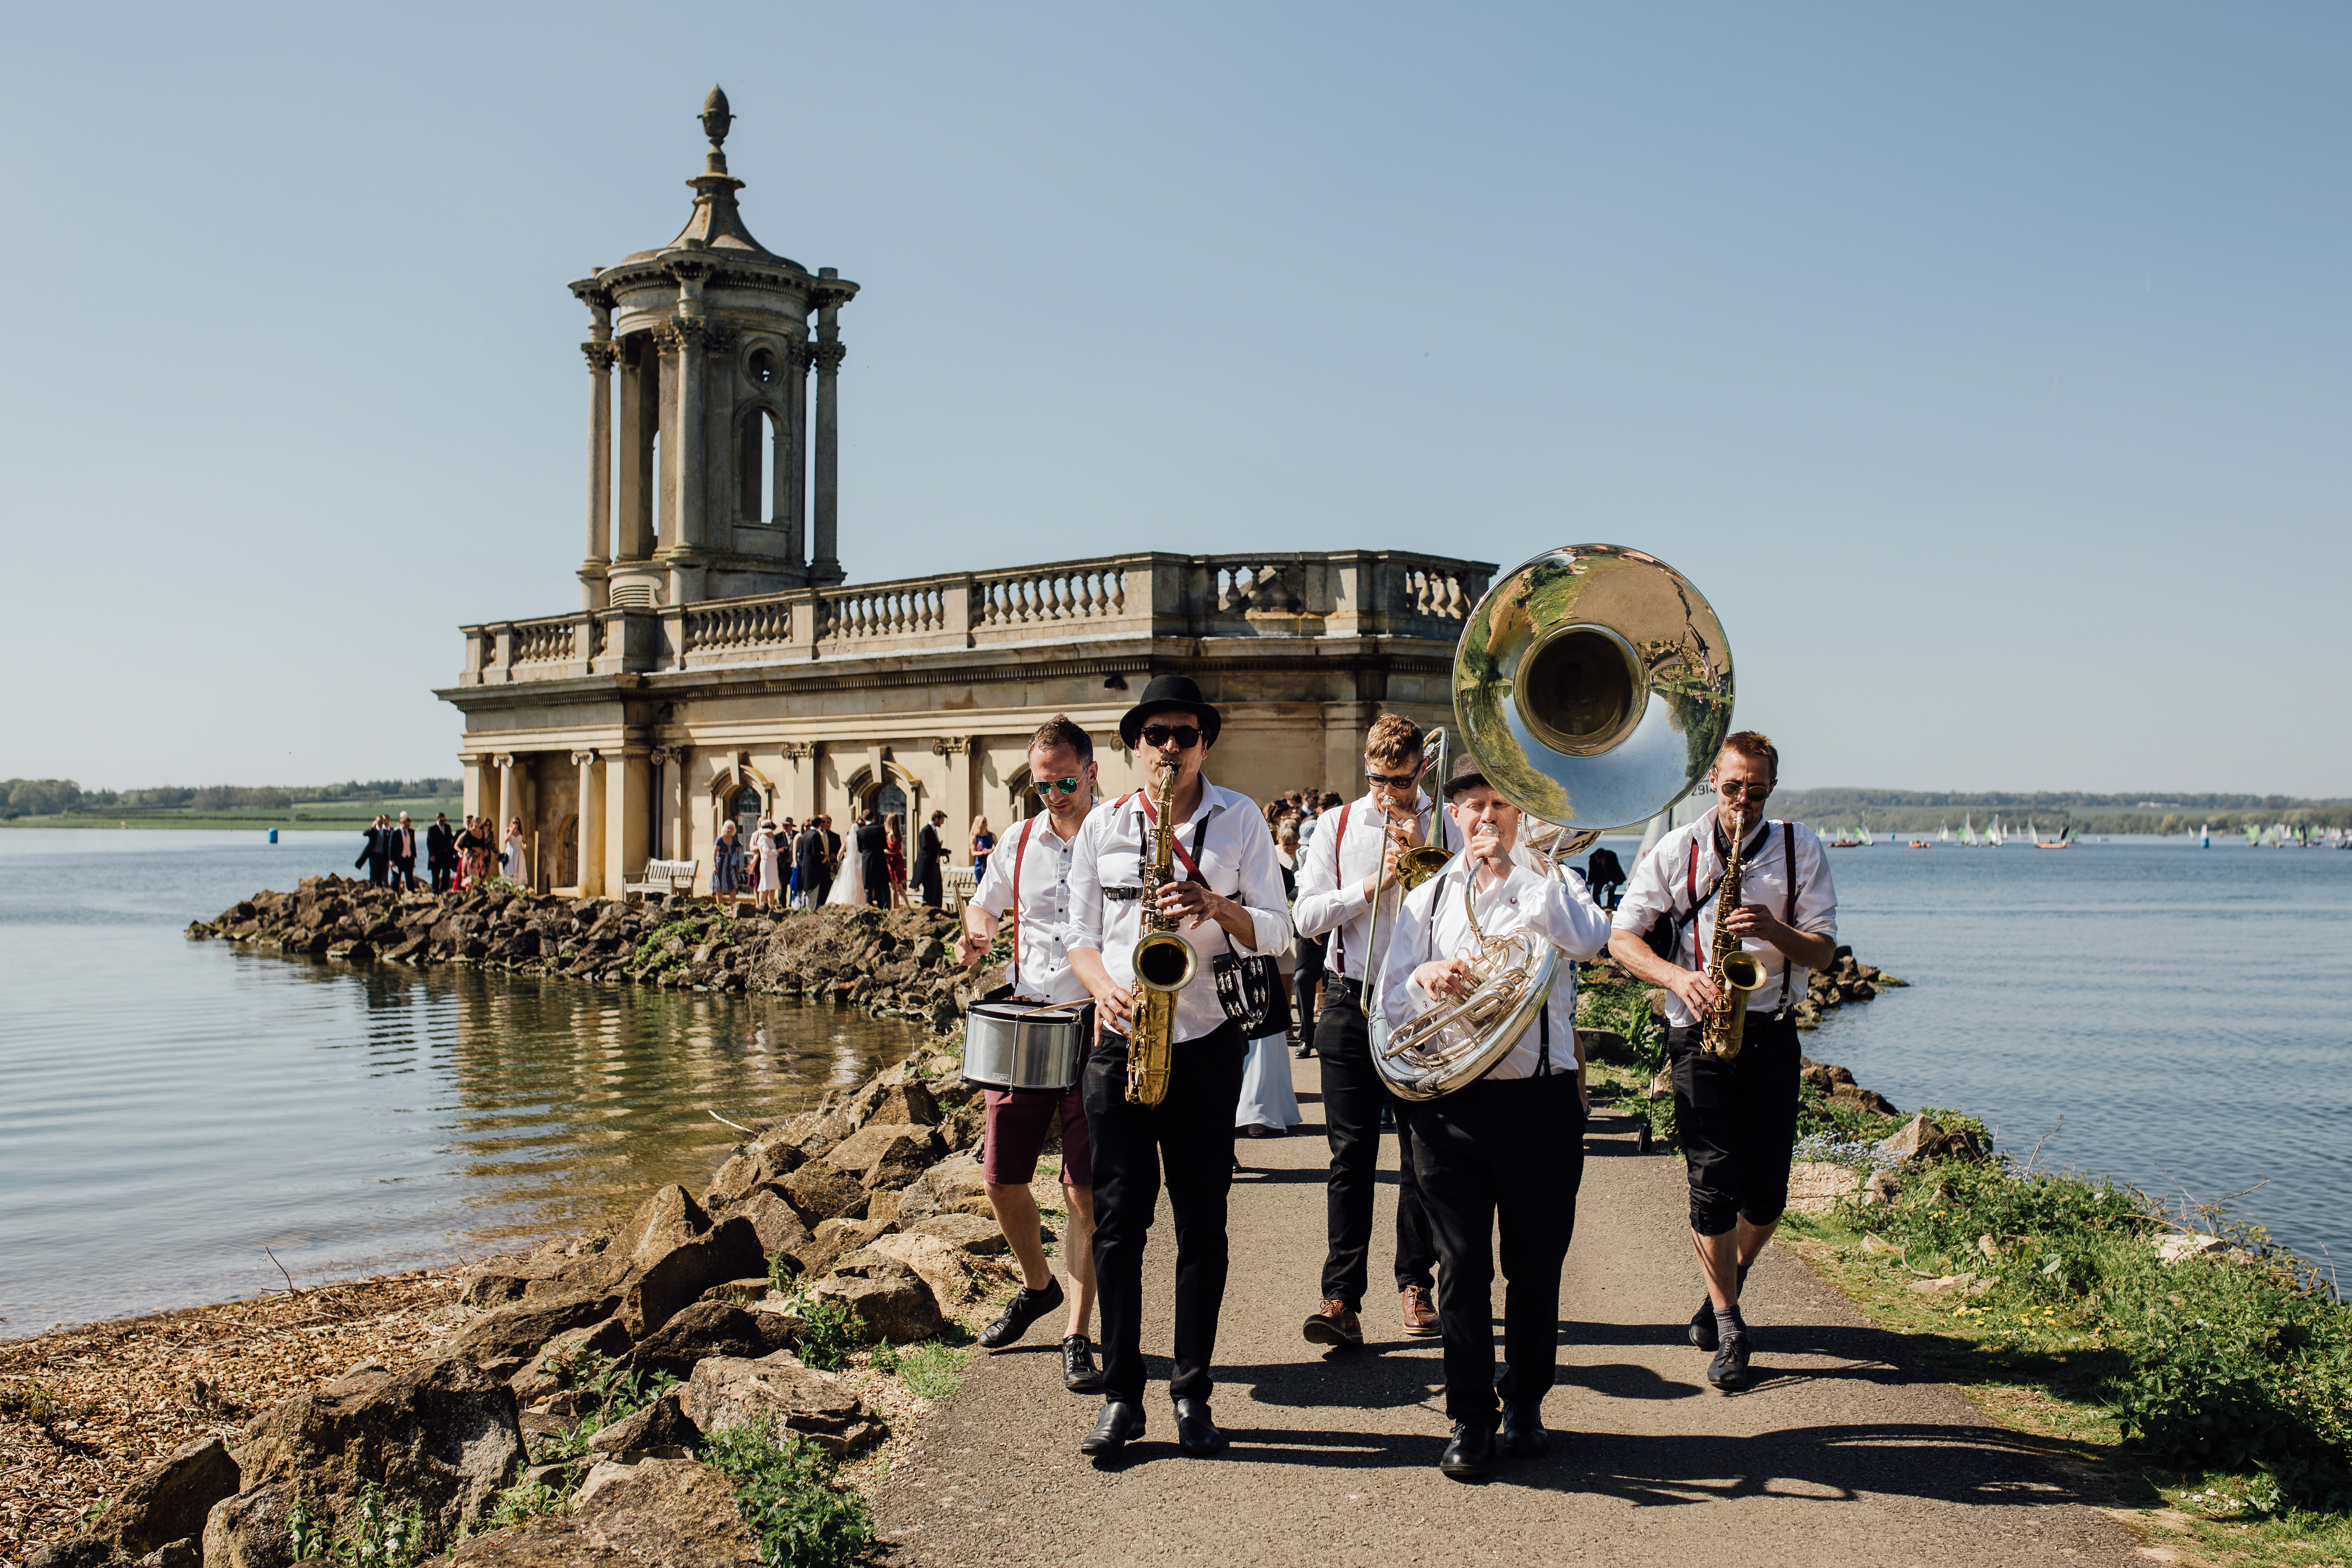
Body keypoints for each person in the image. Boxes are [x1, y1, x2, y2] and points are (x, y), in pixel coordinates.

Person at [1066, 673, 1292, 1459]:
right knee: (1120, 1225)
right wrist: (1103, 990)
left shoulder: (1241, 821)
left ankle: (1191, 1391)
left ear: (1205, 744)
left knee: (1203, 1223)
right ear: (1134, 745)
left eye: (1185, 735)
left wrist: (1214, 905)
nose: (1170, 748)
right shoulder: (1102, 825)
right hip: (1120, 1037)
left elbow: (1277, 929)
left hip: (1206, 1041)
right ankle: (1123, 1395)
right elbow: (1080, 935)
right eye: (1156, 735)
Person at [1377, 752, 1613, 1479]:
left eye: (1500, 806)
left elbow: (1588, 939)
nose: (1485, 818)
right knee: (1462, 1267)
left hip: (1540, 1102)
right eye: (1472, 807)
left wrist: (1519, 870)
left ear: (1521, 814)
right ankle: (1470, 1416)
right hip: (1451, 1103)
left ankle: (1526, 1402)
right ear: (1453, 816)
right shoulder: (1426, 899)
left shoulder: (1554, 881)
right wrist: (1425, 980)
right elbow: (1388, 1000)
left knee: (1534, 1268)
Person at [1607, 731, 1837, 1393]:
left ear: (1771, 786)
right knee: (1711, 1181)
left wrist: (1774, 931)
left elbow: (1823, 953)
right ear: (1714, 778)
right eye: (1734, 786)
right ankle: (1732, 1324)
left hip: (1769, 1031)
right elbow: (1622, 938)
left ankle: (1719, 1289)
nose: (1744, 800)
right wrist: (1679, 980)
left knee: (1766, 1197)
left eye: (1757, 789)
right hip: (1696, 1034)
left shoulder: (1801, 849)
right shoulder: (1676, 849)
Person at [1290, 714, 1451, 1348]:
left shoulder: (1446, 823)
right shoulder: (1335, 825)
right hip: (1351, 999)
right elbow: (1305, 915)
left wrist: (1425, 860)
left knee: (1422, 1156)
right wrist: (1370, 884)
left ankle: (1416, 1282)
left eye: (1401, 781)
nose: (1388, 794)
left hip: (1423, 1005)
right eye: (1377, 780)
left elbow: (1472, 908)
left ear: (1421, 770)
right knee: (1350, 1156)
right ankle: (1340, 1297)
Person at [955, 715, 1105, 1393]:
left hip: (1094, 1026)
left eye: (1066, 781)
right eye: (1042, 785)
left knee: (1082, 1189)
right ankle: (1037, 1286)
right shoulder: (1018, 839)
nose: (1055, 794)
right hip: (1023, 1020)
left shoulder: (1116, 837)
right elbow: (982, 906)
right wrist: (978, 936)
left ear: (1092, 771)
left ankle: (1077, 1332)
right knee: (1000, 1178)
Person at [855, 811, 888, 908]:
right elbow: (884, 845)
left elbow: (860, 849)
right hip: (880, 860)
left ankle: (869, 908)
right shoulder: (880, 829)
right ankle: (883, 908)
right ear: (874, 817)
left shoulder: (860, 831)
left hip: (867, 861)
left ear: (864, 819)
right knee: (881, 886)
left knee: (868, 888)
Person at [794, 818, 826, 912]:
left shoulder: (805, 834)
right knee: (813, 889)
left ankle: (804, 910)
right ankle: (810, 912)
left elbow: (802, 851)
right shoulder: (815, 835)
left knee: (806, 888)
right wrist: (823, 859)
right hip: (814, 866)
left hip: (806, 864)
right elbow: (816, 853)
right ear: (819, 824)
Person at [918, 810, 947, 909]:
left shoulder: (934, 830)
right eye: (942, 820)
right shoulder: (926, 831)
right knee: (930, 891)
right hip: (929, 866)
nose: (942, 823)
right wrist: (938, 847)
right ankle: (929, 912)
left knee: (938, 890)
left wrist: (942, 851)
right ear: (936, 819)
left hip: (936, 865)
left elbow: (934, 848)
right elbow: (926, 848)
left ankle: (937, 911)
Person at [751, 819, 782, 910]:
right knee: (765, 887)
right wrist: (778, 851)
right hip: (767, 864)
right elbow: (767, 852)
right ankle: (762, 907)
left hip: (772, 864)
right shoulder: (763, 839)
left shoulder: (769, 838)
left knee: (772, 887)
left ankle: (771, 906)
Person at [1585, 845, 1626, 911]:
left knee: (1611, 893)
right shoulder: (1592, 858)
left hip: (1613, 877)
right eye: (1597, 859)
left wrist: (1610, 884)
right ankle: (1598, 909)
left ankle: (1610, 908)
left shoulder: (1612, 856)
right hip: (1600, 877)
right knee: (1596, 894)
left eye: (1600, 860)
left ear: (1604, 858)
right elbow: (1592, 872)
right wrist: (1589, 886)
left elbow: (1615, 871)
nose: (1598, 861)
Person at [355, 815, 392, 887]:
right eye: (379, 821)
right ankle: (371, 887)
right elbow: (365, 834)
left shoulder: (385, 832)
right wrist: (372, 826)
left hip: (382, 856)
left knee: (381, 873)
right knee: (373, 873)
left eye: (382, 821)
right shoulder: (373, 831)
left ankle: (379, 888)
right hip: (374, 855)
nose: (380, 822)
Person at [426, 812, 459, 895]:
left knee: (447, 873)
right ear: (437, 819)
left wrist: (455, 853)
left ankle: (444, 890)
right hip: (437, 856)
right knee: (436, 874)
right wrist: (432, 855)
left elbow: (451, 840)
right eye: (441, 820)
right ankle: (436, 891)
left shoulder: (447, 827)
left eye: (444, 820)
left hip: (447, 856)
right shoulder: (432, 829)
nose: (443, 822)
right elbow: (429, 843)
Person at [712, 820, 743, 899]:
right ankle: (720, 906)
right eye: (728, 828)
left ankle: (733, 906)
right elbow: (714, 853)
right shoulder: (720, 840)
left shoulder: (734, 839)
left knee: (733, 886)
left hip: (730, 866)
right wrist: (715, 866)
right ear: (725, 829)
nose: (730, 830)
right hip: (721, 865)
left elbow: (736, 850)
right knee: (720, 887)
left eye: (731, 829)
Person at [389, 813, 420, 892]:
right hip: (398, 859)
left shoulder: (411, 832)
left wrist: (414, 856)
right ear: (401, 823)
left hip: (409, 858)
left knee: (410, 877)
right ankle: (395, 893)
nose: (407, 827)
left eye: (408, 826)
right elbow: (391, 847)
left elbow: (413, 844)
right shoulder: (395, 833)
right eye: (406, 825)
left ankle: (411, 892)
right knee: (396, 878)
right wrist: (391, 860)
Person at [884, 818, 909, 908]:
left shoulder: (891, 835)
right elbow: (900, 851)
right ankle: (906, 906)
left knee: (893, 888)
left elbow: (893, 851)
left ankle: (895, 909)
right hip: (898, 862)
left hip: (892, 863)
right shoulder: (898, 835)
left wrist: (885, 851)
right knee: (899, 888)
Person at [502, 817, 527, 886]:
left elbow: (523, 841)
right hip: (511, 854)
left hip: (519, 853)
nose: (515, 824)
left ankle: (518, 889)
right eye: (514, 822)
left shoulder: (521, 832)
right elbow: (505, 841)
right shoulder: (507, 830)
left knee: (519, 871)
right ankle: (510, 887)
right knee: (510, 871)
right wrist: (511, 832)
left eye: (517, 823)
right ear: (511, 823)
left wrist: (524, 845)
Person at [971, 815, 996, 881]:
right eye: (983, 822)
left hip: (990, 863)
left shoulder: (992, 835)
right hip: (980, 864)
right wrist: (982, 853)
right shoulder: (975, 837)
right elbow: (973, 853)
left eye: (986, 822)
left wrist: (992, 850)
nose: (985, 824)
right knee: (981, 885)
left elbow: (998, 848)